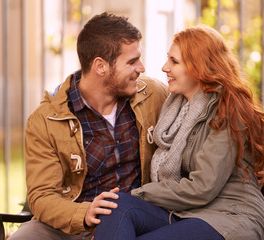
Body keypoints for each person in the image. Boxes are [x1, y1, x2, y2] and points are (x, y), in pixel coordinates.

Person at [93, 25, 264, 240]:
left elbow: (203, 187)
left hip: (229, 216)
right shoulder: (175, 109)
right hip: (187, 214)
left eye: (174, 61)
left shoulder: (227, 111)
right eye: (168, 59)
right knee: (113, 206)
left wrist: (140, 193)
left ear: (199, 67)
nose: (164, 68)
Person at [9, 12, 168, 240]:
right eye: (132, 62)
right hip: (73, 221)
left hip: (134, 217)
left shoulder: (152, 95)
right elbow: (42, 196)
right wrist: (85, 213)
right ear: (100, 66)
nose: (141, 68)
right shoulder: (46, 120)